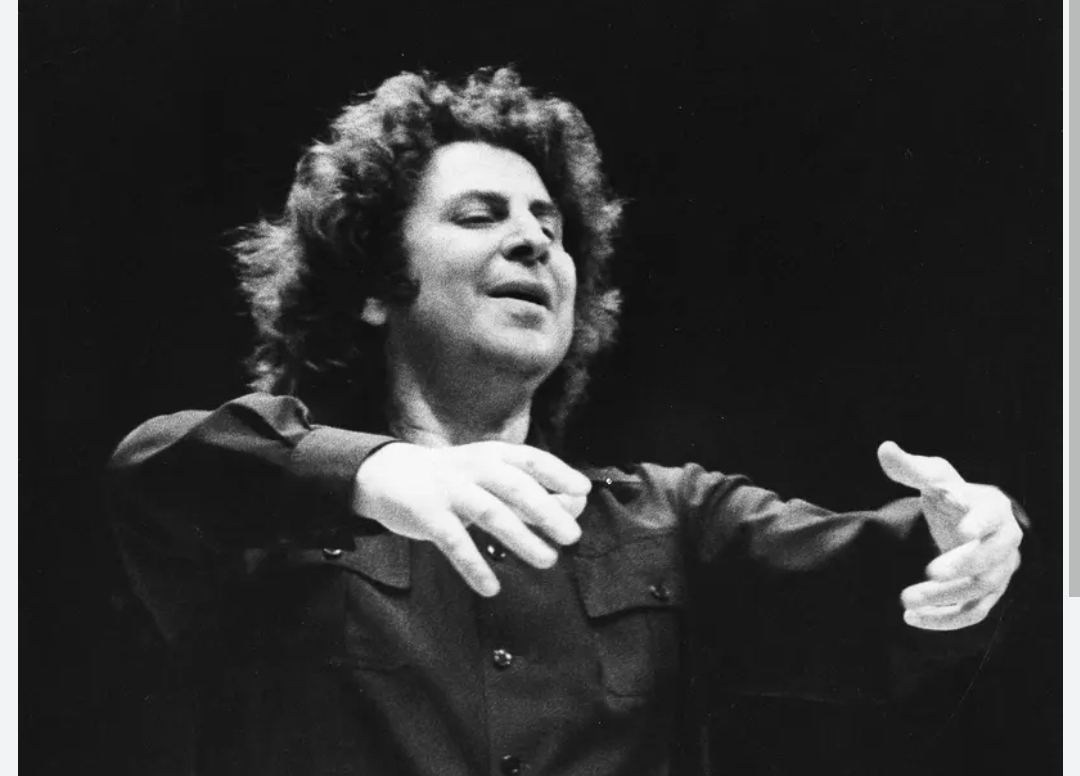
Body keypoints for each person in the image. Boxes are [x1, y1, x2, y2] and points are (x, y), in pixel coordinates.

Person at [108, 66, 1025, 776]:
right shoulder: (273, 522)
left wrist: (978, 534)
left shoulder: (670, 522)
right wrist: (374, 472)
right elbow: (153, 466)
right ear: (377, 286)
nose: (534, 240)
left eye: (551, 225)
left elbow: (886, 581)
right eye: (481, 215)